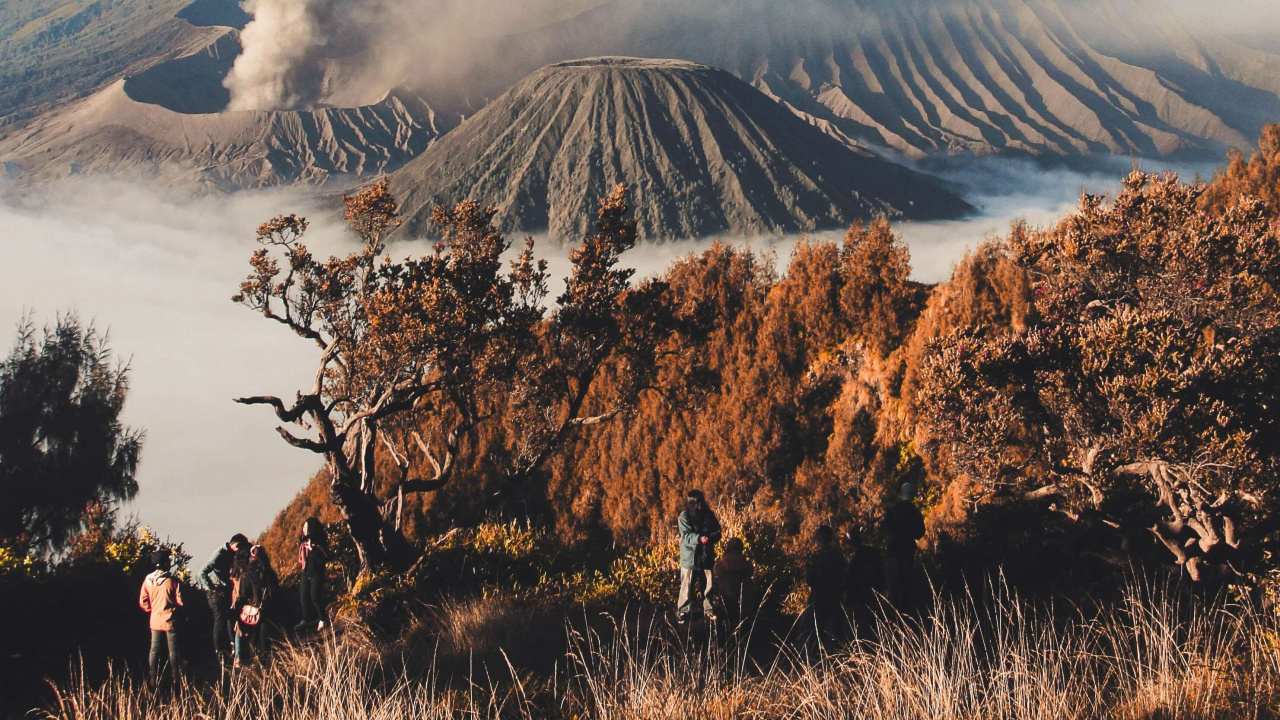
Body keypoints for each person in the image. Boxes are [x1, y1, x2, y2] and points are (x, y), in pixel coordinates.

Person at [230, 543, 279, 667]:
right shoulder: (270, 574)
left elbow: (243, 595)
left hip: (251, 611)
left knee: (252, 638)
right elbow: (275, 594)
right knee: (264, 640)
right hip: (266, 610)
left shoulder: (247, 575)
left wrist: (236, 612)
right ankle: (265, 665)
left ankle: (253, 664)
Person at [139, 549, 184, 682]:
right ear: (165, 563)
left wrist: (152, 609)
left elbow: (143, 601)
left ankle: (153, 678)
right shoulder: (173, 581)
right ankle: (176, 679)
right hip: (170, 620)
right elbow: (181, 601)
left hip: (155, 619)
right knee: (173, 651)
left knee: (154, 650)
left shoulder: (147, 580)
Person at [677, 489, 721, 623]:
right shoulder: (684, 517)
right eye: (697, 503)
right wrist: (700, 538)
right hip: (690, 557)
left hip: (705, 555)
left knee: (708, 585)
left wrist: (709, 538)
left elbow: (718, 532)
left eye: (701, 501)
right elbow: (686, 536)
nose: (700, 505)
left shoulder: (709, 515)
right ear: (691, 504)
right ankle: (683, 611)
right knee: (687, 586)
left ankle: (708, 609)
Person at [202, 533, 248, 661]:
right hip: (216, 592)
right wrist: (212, 587)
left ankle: (231, 646)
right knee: (220, 620)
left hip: (225, 590)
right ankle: (219, 651)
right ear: (236, 545)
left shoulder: (230, 553)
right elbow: (203, 571)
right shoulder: (219, 554)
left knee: (230, 617)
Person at [883, 482, 926, 610]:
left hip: (894, 549)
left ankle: (894, 609)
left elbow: (885, 528)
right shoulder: (915, 513)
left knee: (895, 580)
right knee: (906, 580)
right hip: (908, 550)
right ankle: (906, 608)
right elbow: (919, 533)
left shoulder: (893, 511)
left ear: (901, 493)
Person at [802, 525, 847, 647]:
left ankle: (806, 653)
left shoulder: (813, 557)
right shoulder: (838, 556)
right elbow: (844, 575)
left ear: (818, 539)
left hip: (818, 597)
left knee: (806, 629)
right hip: (835, 597)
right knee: (832, 631)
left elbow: (810, 580)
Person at [842, 525, 885, 640]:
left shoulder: (857, 559)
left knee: (859, 627)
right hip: (874, 596)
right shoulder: (872, 552)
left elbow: (852, 579)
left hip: (860, 598)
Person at [713, 537, 755, 631]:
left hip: (726, 600)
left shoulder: (720, 565)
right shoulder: (747, 564)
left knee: (723, 629)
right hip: (743, 603)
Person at [297, 518, 329, 633]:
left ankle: (323, 619)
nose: (304, 530)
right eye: (303, 527)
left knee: (315, 596)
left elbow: (323, 559)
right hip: (306, 572)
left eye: (306, 528)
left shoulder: (318, 541)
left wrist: (313, 549)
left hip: (316, 573)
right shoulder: (303, 541)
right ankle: (307, 618)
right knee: (304, 596)